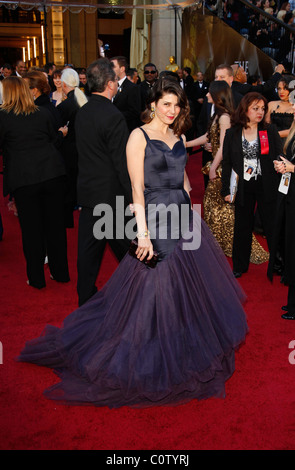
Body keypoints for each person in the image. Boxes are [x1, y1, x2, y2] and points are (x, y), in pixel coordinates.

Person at [17, 77, 248, 408]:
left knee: (182, 288)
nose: (171, 111)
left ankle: (177, 349)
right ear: (152, 104)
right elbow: (136, 190)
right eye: (165, 104)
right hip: (153, 219)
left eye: (177, 105)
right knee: (154, 288)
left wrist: (189, 209)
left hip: (182, 219)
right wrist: (141, 233)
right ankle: (150, 354)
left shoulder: (178, 135)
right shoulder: (137, 137)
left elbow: (183, 179)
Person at [187, 81, 269, 264]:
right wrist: (186, 144)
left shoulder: (224, 117)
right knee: (215, 207)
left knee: (220, 208)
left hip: (224, 166)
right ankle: (219, 243)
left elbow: (224, 146)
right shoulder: (218, 115)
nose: (207, 96)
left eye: (209, 93)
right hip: (217, 163)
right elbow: (208, 137)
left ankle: (228, 244)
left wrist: (214, 167)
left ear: (217, 96)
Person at [0, 77, 69, 288]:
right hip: (52, 175)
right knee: (55, 227)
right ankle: (61, 273)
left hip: (25, 179)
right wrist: (61, 133)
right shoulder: (43, 113)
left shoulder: (2, 117)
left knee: (31, 230)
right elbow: (52, 141)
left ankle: (37, 279)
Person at [74, 58, 132, 307]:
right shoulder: (114, 116)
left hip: (89, 192)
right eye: (116, 82)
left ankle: (85, 296)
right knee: (129, 249)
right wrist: (134, 199)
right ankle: (142, 291)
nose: (118, 86)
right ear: (109, 84)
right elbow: (122, 163)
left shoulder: (82, 112)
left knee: (88, 251)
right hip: (111, 197)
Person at [221, 92, 282, 278]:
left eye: (263, 109)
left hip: (266, 183)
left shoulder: (269, 131)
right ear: (245, 109)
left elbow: (278, 157)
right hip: (243, 185)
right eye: (256, 108)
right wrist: (226, 189)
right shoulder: (232, 133)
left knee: (272, 224)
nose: (260, 112)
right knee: (242, 225)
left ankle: (278, 263)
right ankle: (240, 265)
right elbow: (228, 163)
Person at [269, 102, 295, 319]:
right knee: (290, 246)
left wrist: (292, 168)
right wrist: (283, 164)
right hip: (290, 195)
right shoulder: (294, 128)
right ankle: (292, 302)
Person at [57, 68, 88, 228]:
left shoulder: (65, 105)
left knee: (68, 185)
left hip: (69, 151)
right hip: (84, 149)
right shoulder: (84, 100)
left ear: (63, 84)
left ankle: (68, 219)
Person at [110, 56, 141, 133]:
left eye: (113, 66)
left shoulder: (132, 88)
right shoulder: (107, 86)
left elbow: (135, 112)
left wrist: (113, 115)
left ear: (122, 69)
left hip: (125, 131)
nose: (110, 69)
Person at [265, 75, 294, 143]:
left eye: (285, 88)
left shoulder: (294, 107)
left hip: (289, 143)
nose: (281, 92)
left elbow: (292, 131)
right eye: (279, 88)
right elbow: (265, 125)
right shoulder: (271, 104)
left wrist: (272, 134)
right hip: (271, 142)